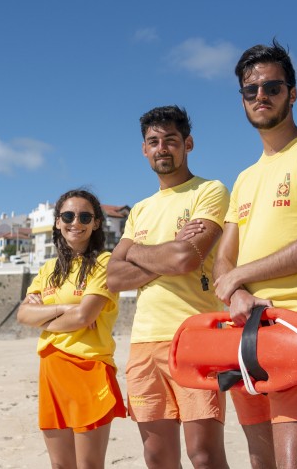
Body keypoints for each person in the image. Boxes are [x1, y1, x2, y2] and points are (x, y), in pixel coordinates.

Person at [213, 39, 297, 469]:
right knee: (261, 463)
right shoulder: (244, 177)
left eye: (272, 87)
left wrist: (238, 277)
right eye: (250, 89)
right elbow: (223, 260)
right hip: (244, 328)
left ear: (292, 93)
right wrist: (235, 292)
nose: (260, 96)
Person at [107, 105, 230, 469]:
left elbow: (185, 260)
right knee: (157, 457)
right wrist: (170, 248)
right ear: (144, 150)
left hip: (196, 336)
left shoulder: (210, 191)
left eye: (171, 140)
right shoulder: (140, 210)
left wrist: (140, 256)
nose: (162, 148)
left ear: (187, 144)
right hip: (144, 342)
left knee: (204, 455)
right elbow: (113, 277)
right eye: (154, 142)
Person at [16, 188, 126, 469]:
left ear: (96, 223)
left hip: (89, 367)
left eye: (84, 216)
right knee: (61, 465)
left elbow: (84, 317)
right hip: (51, 369)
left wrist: (46, 318)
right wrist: (65, 309)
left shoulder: (104, 263)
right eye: (68, 215)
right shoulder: (48, 269)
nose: (75, 222)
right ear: (57, 222)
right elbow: (23, 314)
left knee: (89, 465)